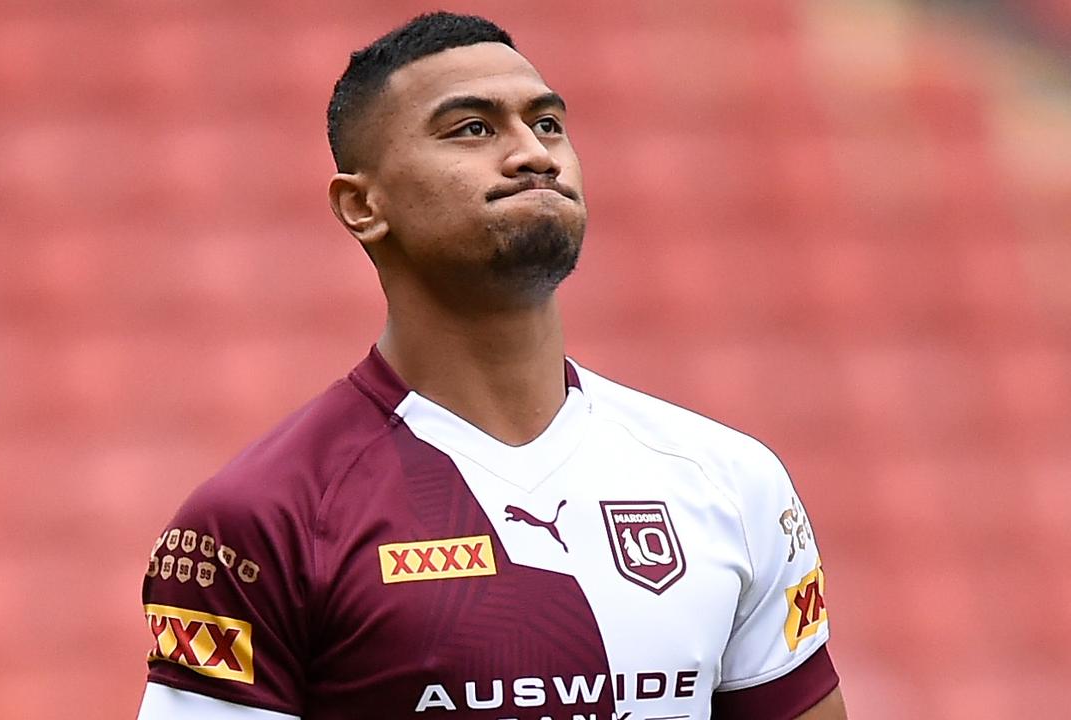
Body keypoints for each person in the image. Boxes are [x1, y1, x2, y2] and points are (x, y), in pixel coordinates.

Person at [136, 11, 845, 720]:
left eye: (548, 124)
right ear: (361, 206)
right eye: (472, 129)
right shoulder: (262, 520)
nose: (534, 155)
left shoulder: (728, 481)